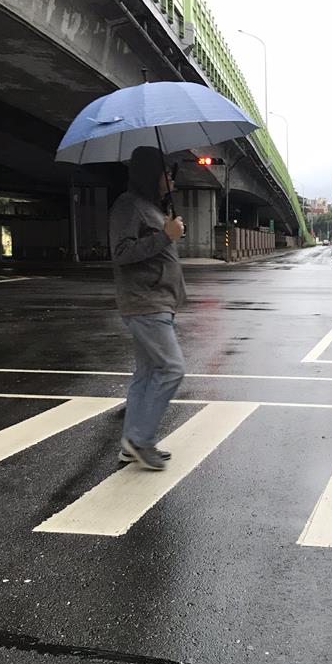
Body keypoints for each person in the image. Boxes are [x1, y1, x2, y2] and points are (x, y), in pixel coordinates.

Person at [109, 146, 187, 470]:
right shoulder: (129, 206)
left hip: (156, 302)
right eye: (166, 172)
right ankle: (141, 440)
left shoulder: (150, 208)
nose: (170, 178)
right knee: (172, 369)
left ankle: (132, 443)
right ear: (149, 173)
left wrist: (167, 230)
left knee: (146, 373)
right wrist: (165, 237)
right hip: (146, 303)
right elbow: (122, 252)